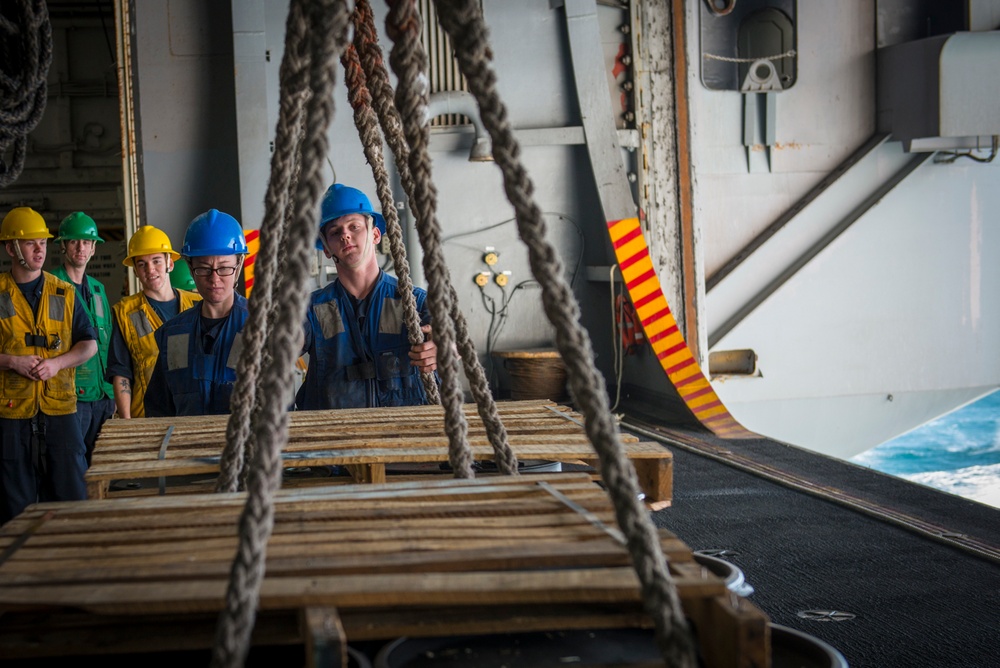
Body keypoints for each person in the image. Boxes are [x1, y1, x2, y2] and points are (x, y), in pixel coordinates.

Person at [296, 183, 437, 410]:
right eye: (335, 232)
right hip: (335, 436)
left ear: (375, 235)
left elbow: (450, 336)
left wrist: (443, 347)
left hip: (404, 434)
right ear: (326, 248)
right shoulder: (313, 309)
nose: (345, 236)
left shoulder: (414, 302)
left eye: (354, 227)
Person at [0, 207, 97, 524]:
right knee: (15, 507)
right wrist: (11, 361)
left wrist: (57, 364)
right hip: (11, 414)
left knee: (72, 500)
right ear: (11, 248)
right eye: (30, 243)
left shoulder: (64, 292)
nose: (40, 249)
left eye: (42, 242)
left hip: (60, 410)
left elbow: (89, 344)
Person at [144, 210, 249, 417]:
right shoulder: (173, 334)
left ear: (238, 266)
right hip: (186, 446)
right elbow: (159, 409)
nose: (214, 279)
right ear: (191, 269)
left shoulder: (262, 328)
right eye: (204, 269)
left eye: (224, 268)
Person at [106, 226, 200, 418]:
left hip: (193, 410)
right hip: (147, 414)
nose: (150, 270)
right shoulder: (125, 312)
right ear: (135, 271)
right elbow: (121, 373)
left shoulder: (197, 304)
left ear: (170, 264)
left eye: (156, 261)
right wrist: (127, 423)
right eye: (142, 264)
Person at [50, 212, 115, 466]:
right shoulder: (52, 285)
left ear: (94, 248)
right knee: (73, 465)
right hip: (72, 396)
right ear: (63, 246)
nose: (80, 247)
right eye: (74, 241)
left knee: (102, 464)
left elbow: (107, 339)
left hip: (104, 395)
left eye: (86, 242)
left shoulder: (98, 289)